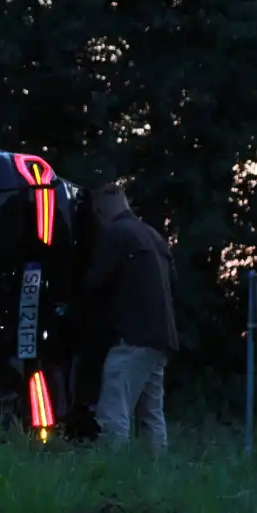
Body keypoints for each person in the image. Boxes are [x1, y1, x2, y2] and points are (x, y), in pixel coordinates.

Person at [84, 184, 178, 450]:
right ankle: (155, 476)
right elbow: (174, 283)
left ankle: (112, 476)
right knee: (151, 414)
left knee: (114, 410)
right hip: (160, 337)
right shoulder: (153, 235)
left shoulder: (116, 234)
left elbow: (95, 282)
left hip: (132, 337)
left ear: (100, 210)